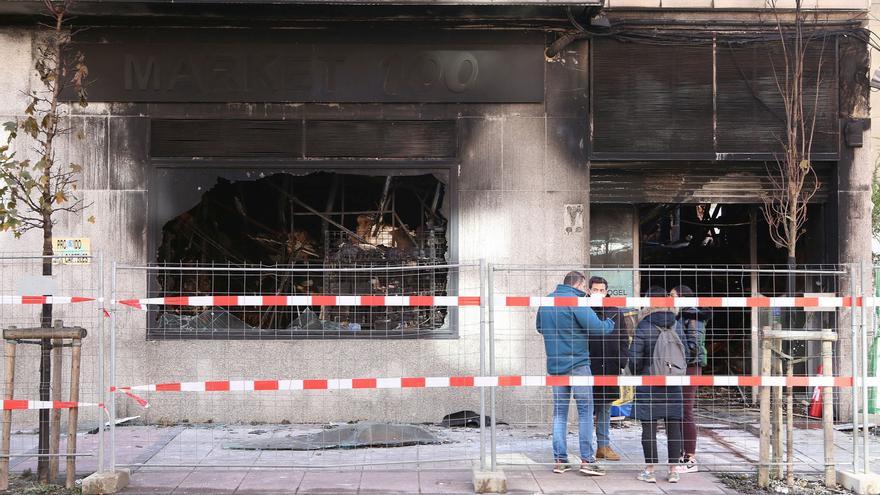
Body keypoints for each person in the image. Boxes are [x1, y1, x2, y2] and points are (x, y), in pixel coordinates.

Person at [537, 271, 616, 476]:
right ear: (580, 285)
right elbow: (598, 328)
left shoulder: (546, 301)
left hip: (555, 366)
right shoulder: (576, 300)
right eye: (585, 288)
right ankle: (587, 461)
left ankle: (560, 460)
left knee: (560, 414)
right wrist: (611, 321)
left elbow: (539, 327)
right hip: (579, 364)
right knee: (584, 412)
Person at [629, 286, 691, 484]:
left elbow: (635, 357)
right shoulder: (677, 324)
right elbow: (686, 354)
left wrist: (638, 373)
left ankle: (650, 470)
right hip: (673, 382)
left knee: (649, 427)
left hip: (649, 381)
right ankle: (673, 470)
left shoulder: (643, 325)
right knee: (674, 426)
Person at [587, 276, 631, 462]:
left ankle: (603, 446)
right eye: (595, 289)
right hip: (588, 366)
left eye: (602, 290)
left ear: (606, 291)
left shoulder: (615, 311)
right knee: (587, 408)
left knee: (605, 407)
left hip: (610, 366)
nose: (598, 293)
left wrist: (621, 360)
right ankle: (586, 448)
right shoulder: (583, 309)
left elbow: (623, 338)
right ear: (588, 291)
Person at [671, 285, 711, 474]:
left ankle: (690, 458)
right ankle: (680, 454)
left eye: (672, 296)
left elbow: (693, 346)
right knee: (678, 410)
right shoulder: (679, 316)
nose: (669, 299)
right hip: (681, 367)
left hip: (690, 367)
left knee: (686, 410)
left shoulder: (693, 317)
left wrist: (678, 359)